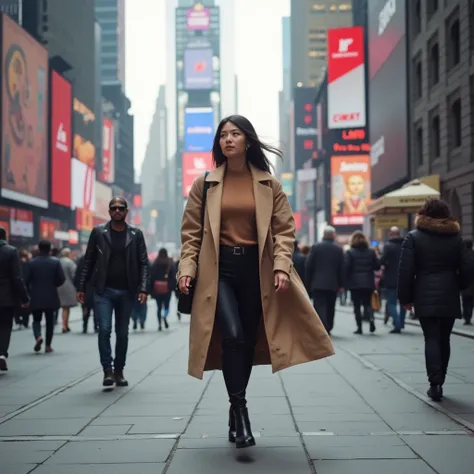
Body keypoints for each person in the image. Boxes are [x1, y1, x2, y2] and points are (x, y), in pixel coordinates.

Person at [178, 115, 334, 449]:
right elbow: (190, 233)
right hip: (218, 271)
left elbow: (284, 230)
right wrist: (186, 269)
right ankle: (240, 409)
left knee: (246, 343)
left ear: (247, 140)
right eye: (223, 135)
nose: (228, 139)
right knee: (232, 337)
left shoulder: (268, 184)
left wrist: (281, 266)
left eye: (235, 134)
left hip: (256, 271)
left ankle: (236, 411)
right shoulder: (204, 184)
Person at [398, 198, 474, 401]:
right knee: (445, 338)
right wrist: (458, 284)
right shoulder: (456, 238)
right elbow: (468, 267)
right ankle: (442, 379)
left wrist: (405, 297)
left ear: (425, 214)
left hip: (424, 293)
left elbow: (405, 270)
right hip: (449, 292)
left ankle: (435, 383)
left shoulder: (413, 238)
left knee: (430, 337)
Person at [77, 197, 149, 387]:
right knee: (105, 330)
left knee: (123, 333)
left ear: (126, 212)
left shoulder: (136, 234)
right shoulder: (99, 232)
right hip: (104, 291)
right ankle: (107, 371)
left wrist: (143, 288)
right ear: (109, 212)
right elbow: (89, 261)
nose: (117, 211)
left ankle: (119, 371)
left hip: (127, 291)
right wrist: (82, 286)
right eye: (113, 208)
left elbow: (143, 263)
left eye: (121, 208)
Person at [26, 240, 65, 353]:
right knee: (50, 321)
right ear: (50, 249)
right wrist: (53, 285)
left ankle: (38, 336)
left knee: (36, 319)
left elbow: (26, 280)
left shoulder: (31, 262)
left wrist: (30, 291)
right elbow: (61, 279)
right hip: (51, 295)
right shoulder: (55, 262)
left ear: (39, 248)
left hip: (36, 295)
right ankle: (48, 345)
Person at [0, 226, 29, 371]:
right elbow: (18, 278)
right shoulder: (10, 251)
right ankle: (2, 354)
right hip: (6, 297)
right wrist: (24, 298)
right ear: (4, 236)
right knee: (5, 326)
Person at [305, 226, 344, 335]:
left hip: (317, 283)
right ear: (333, 235)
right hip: (332, 284)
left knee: (319, 306)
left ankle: (322, 326)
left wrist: (308, 283)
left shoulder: (316, 247)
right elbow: (342, 268)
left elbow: (309, 266)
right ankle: (329, 326)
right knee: (331, 306)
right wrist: (341, 283)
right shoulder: (338, 249)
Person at [345, 231, 380, 334]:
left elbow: (347, 267)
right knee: (368, 304)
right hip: (368, 282)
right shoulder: (371, 252)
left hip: (355, 284)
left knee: (356, 305)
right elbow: (377, 266)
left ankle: (359, 327)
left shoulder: (350, 252)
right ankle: (371, 320)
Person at [380, 226, 405, 333]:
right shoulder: (406, 245)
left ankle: (397, 323)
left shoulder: (388, 246)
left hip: (391, 278)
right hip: (405, 278)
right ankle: (402, 322)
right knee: (404, 302)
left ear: (390, 234)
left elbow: (382, 261)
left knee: (392, 303)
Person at [151, 248, 176, 331]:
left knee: (158, 307)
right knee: (166, 306)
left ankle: (159, 324)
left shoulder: (155, 263)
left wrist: (151, 289)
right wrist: (172, 287)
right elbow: (173, 277)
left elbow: (151, 277)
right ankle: (164, 316)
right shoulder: (169, 263)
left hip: (157, 289)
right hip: (167, 289)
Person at [75, 254, 98, 333]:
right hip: (95, 287)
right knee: (96, 309)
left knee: (85, 308)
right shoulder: (99, 257)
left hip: (85, 288)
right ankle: (96, 326)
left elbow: (78, 274)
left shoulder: (82, 259)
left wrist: (78, 288)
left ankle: (85, 325)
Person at [57, 248, 77, 333]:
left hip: (58, 286)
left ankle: (65, 325)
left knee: (64, 307)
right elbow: (74, 275)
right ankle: (64, 326)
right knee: (66, 308)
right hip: (68, 287)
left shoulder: (57, 261)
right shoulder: (70, 262)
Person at [461, 239, 474, 325]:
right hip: (472, 282)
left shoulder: (462, 255)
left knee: (465, 301)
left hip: (464, 282)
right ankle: (469, 316)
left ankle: (466, 318)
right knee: (471, 302)